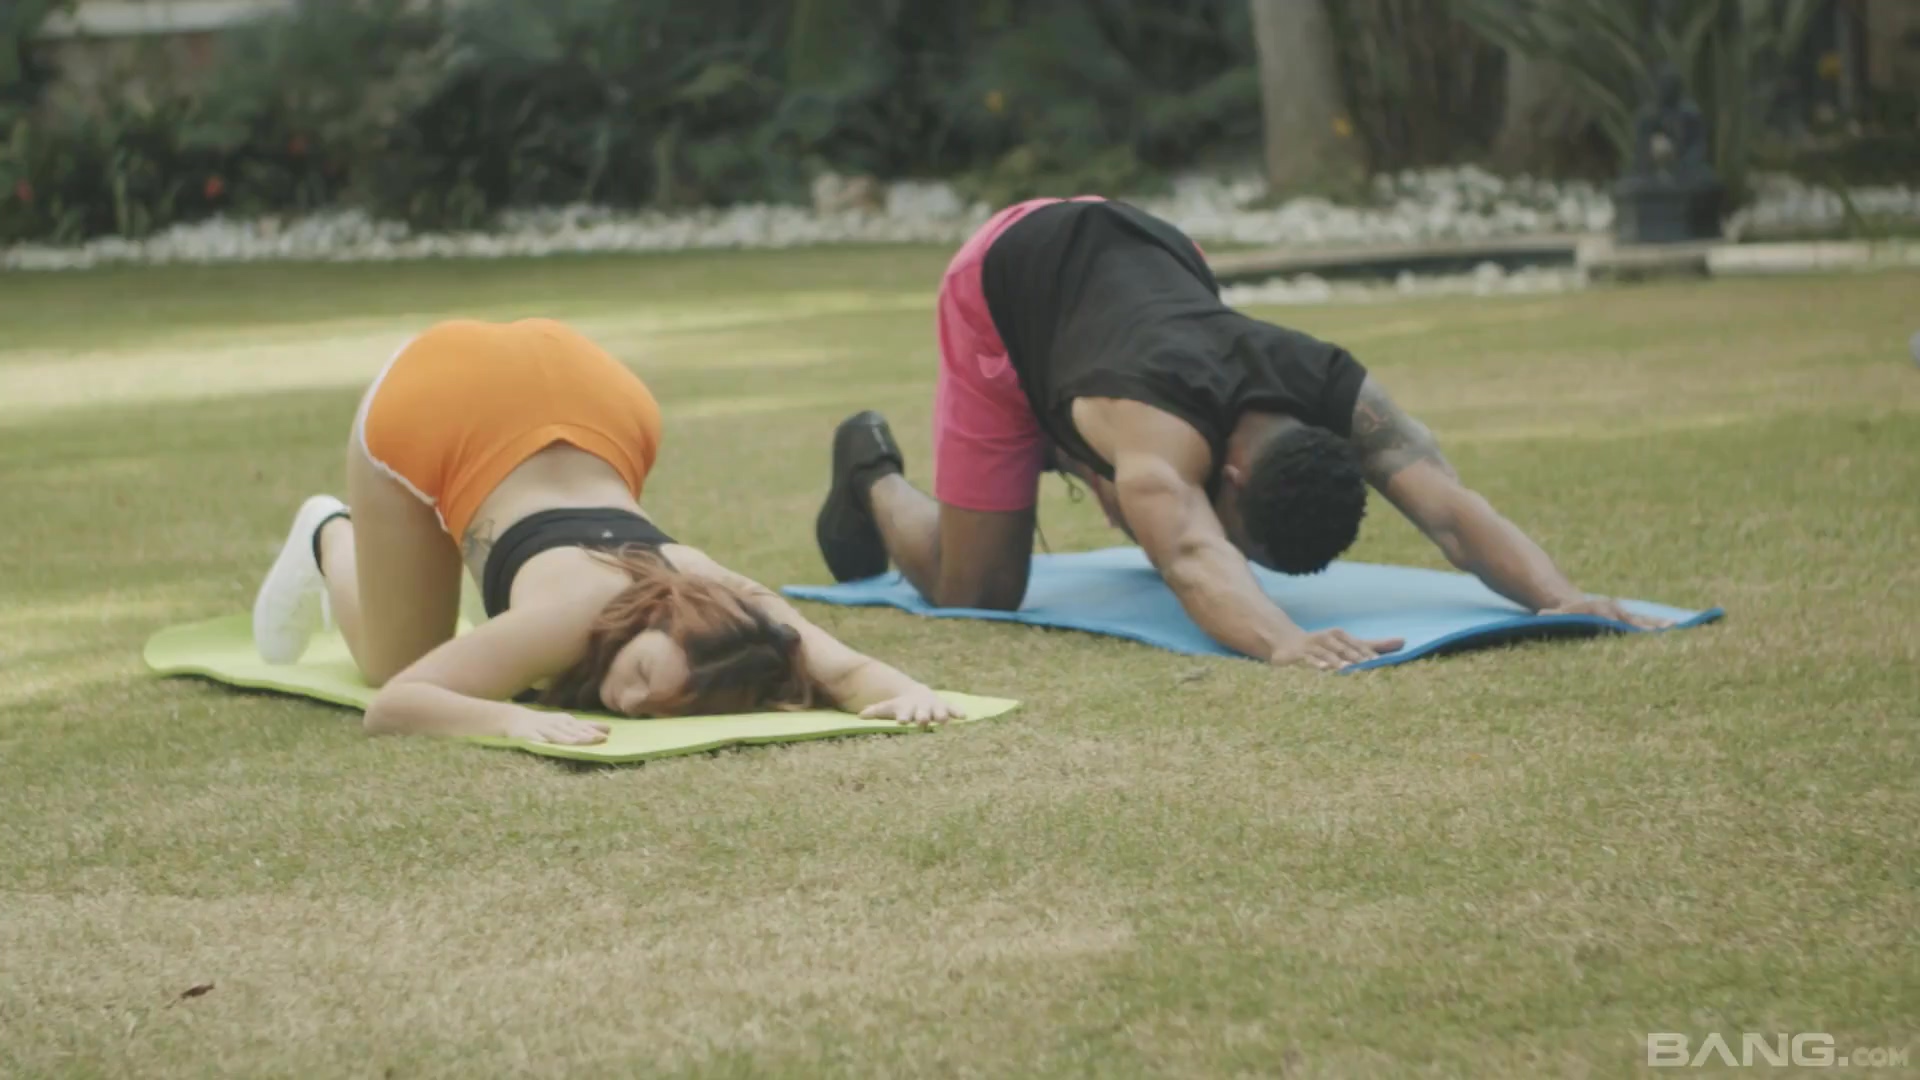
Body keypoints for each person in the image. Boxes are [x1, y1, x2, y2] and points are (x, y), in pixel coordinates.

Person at [814, 196, 1672, 672]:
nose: (1234, 547)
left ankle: (1065, 442)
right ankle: (871, 472)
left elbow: (1448, 506)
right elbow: (1190, 556)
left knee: (1137, 490)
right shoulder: (1161, 433)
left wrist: (1560, 596)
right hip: (1002, 280)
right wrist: (1284, 640)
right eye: (1241, 533)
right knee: (979, 585)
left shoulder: (1331, 384)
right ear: (1227, 469)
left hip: (1154, 251)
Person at [254, 317, 959, 746]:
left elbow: (847, 672)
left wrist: (912, 695)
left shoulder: (730, 601)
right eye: (645, 674)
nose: (626, 701)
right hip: (431, 394)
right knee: (393, 654)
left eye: (653, 710)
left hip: (593, 390)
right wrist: (506, 721)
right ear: (662, 619)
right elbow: (397, 704)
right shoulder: (572, 614)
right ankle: (327, 532)